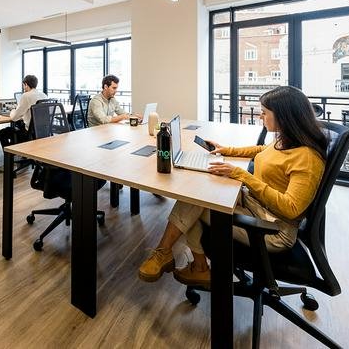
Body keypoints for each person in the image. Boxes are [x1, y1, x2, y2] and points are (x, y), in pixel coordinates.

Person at [137, 86, 328, 286]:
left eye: (264, 113)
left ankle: (176, 258)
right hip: (257, 206)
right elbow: (263, 150)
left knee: (196, 200)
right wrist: (227, 150)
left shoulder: (307, 158)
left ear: (284, 116)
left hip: (272, 229)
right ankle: (191, 264)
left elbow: (291, 209)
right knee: (199, 194)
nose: (261, 118)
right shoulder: (287, 140)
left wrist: (242, 175)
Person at [0, 74, 47, 147]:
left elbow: (14, 118)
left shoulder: (26, 95)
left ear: (26, 85)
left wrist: (12, 110)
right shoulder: (43, 95)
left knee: (3, 132)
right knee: (19, 124)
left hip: (29, 132)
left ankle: (9, 156)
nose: (23, 87)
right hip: (42, 130)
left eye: (23, 85)